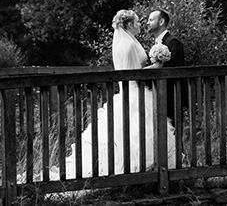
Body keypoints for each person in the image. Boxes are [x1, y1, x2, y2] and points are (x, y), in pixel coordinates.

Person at [51, 10, 176, 180]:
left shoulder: (122, 43)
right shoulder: (130, 45)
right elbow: (135, 74)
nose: (141, 24)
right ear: (130, 24)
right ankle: (140, 171)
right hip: (135, 93)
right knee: (139, 133)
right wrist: (157, 66)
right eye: (138, 22)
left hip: (124, 92)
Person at [146, 10, 187, 125]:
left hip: (171, 98)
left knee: (173, 133)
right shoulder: (157, 43)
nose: (147, 23)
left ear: (161, 21)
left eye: (151, 20)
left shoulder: (173, 42)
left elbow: (174, 69)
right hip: (158, 95)